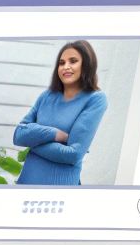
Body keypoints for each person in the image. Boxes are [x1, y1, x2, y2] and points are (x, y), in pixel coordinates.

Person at [12, 40, 107, 185]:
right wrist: (54, 134)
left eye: (73, 61)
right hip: (26, 181)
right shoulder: (47, 96)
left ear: (87, 64)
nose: (66, 67)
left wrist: (33, 141)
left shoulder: (95, 99)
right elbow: (18, 135)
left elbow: (73, 155)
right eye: (61, 63)